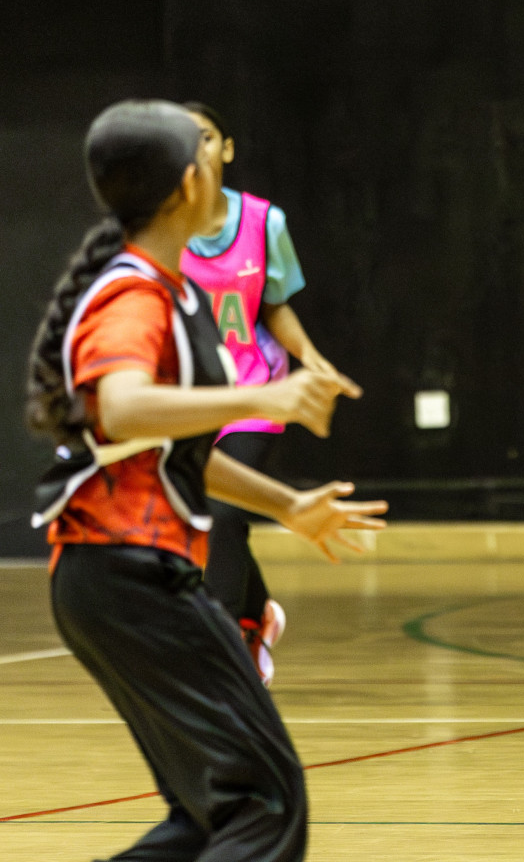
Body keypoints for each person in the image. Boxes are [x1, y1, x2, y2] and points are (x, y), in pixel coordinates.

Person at [26, 99, 387, 861]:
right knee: (265, 805)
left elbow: (172, 450)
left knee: (212, 816)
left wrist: (289, 506)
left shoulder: (166, 286)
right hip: (127, 574)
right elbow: (123, 408)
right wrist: (265, 395)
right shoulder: (133, 294)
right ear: (191, 182)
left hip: (114, 576)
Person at [179, 102, 360, 687]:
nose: (194, 148)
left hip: (258, 391)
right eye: (181, 139)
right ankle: (259, 614)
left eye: (204, 137)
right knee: (211, 517)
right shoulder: (161, 227)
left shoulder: (264, 223)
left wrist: (311, 358)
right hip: (191, 400)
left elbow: (274, 305)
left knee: (223, 509)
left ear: (226, 148)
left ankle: (226, 643)